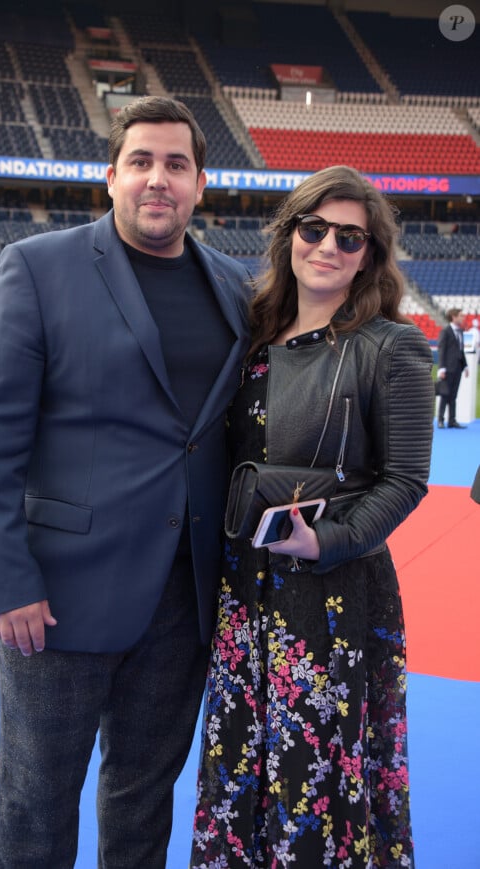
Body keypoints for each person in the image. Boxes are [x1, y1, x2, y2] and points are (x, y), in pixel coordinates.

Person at [0, 96, 251, 868]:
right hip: (55, 599)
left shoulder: (235, 287)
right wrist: (6, 579)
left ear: (199, 184)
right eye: (142, 162)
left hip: (184, 599)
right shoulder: (36, 267)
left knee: (145, 792)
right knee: (37, 799)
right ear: (110, 176)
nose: (159, 179)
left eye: (176, 164)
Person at [191, 165, 434, 868]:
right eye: (314, 228)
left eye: (350, 237)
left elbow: (407, 479)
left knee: (313, 772)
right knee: (238, 763)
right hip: (243, 595)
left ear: (370, 256)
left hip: (331, 595)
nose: (328, 245)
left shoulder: (392, 345)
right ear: (289, 233)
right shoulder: (251, 337)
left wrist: (327, 539)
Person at [437, 307, 469, 429]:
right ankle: (440, 419)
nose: (463, 318)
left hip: (458, 368)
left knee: (453, 395)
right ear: (453, 317)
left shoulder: (460, 332)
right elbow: (441, 350)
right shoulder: (445, 331)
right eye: (461, 315)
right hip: (448, 369)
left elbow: (461, 351)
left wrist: (465, 366)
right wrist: (441, 368)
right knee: (445, 394)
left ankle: (452, 420)